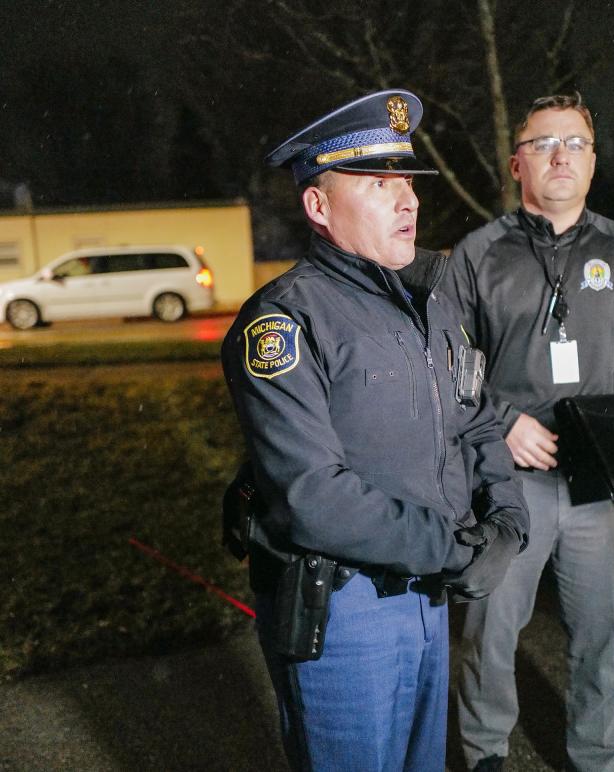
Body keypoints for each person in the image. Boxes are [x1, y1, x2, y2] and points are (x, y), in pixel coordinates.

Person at [220, 89, 529, 772]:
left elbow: (476, 421)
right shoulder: (285, 323)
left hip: (426, 596)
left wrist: (507, 522)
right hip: (344, 611)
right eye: (378, 183)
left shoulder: (430, 304)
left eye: (408, 183)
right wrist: (454, 551)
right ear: (319, 207)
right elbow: (312, 496)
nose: (408, 201)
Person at [442, 93, 614, 772]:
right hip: (508, 485)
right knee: (487, 634)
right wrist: (499, 422)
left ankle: (595, 760)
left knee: (599, 640)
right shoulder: (478, 255)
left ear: (592, 163)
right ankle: (484, 757)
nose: (561, 155)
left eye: (576, 144)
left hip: (602, 486)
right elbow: (437, 360)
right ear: (516, 164)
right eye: (543, 144)